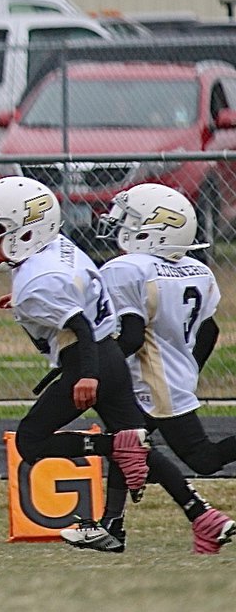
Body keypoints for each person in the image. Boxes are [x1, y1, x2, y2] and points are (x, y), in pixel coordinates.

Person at [0, 176, 156, 553]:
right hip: (109, 353)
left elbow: (78, 325)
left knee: (32, 441)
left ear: (27, 232)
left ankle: (111, 445)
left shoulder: (38, 281)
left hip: (89, 359)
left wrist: (85, 375)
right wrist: (28, 305)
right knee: (139, 445)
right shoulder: (56, 249)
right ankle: (115, 527)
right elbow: (75, 290)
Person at [89, 183, 236, 554]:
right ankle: (112, 525)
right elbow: (210, 330)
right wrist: (187, 371)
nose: (118, 222)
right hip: (168, 377)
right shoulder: (197, 270)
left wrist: (96, 365)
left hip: (154, 383)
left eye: (129, 218)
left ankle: (114, 525)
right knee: (126, 445)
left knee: (202, 459)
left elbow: (133, 336)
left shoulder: (127, 268)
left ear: (154, 230)